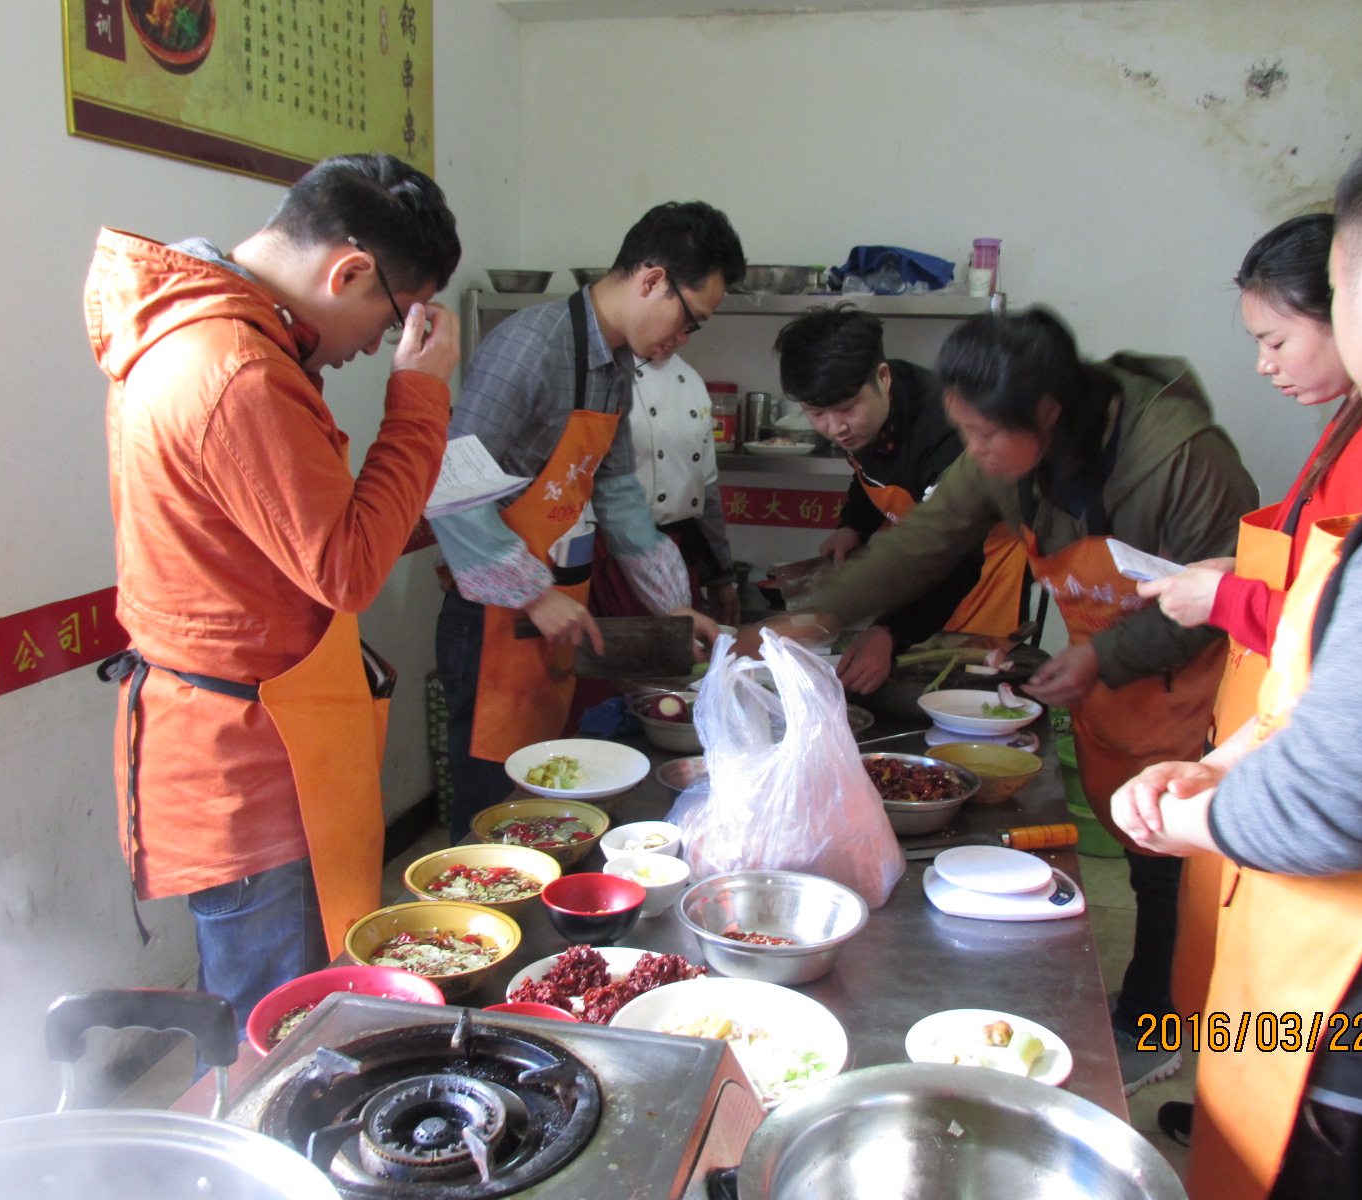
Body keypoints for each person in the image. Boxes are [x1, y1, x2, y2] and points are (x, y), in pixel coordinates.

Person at [747, 307, 1258, 1094]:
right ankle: (1154, 1003)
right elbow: (927, 540)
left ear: (1047, 414)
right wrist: (817, 614)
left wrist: (1101, 659)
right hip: (1105, 671)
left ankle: (1165, 1022)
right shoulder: (1005, 442)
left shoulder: (1182, 460)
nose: (976, 455)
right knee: (1133, 845)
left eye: (985, 437)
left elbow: (1223, 604)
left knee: (1171, 871)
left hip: (1184, 681)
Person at [1112, 112, 1362, 1200]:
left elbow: (1331, 811)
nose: (1268, 360)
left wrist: (1178, 816)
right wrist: (1233, 765)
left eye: (1280, 330)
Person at [87, 153, 462, 1029]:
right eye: (391, 318)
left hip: (255, 736)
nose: (380, 343)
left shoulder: (215, 335)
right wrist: (419, 399)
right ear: (350, 270)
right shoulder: (237, 370)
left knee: (290, 1007)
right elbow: (349, 568)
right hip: (253, 770)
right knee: (284, 1035)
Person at [1143, 215, 1362, 1037]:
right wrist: (1231, 573)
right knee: (1229, 963)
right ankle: (1208, 1071)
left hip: (1305, 743)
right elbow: (1300, 546)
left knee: (1295, 992)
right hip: (1257, 723)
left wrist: (1224, 604)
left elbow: (1347, 624)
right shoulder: (1352, 417)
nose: (1264, 364)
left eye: (1277, 340)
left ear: (1358, 303)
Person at [431, 202, 743, 841]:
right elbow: (450, 487)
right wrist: (534, 595)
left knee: (544, 796)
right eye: (690, 322)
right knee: (492, 811)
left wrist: (670, 608)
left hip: (550, 616)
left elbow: (619, 492)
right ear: (653, 279)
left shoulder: (615, 367)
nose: (683, 341)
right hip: (494, 620)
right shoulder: (531, 346)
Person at [772, 305, 1029, 694]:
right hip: (918, 574)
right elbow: (869, 474)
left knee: (967, 695)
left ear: (883, 377)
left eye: (845, 408)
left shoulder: (946, 434)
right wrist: (853, 524)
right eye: (815, 412)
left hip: (982, 576)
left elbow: (957, 560)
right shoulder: (865, 421)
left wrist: (889, 632)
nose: (834, 427)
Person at [586, 349, 740, 624]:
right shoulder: (599, 375)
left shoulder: (691, 382)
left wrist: (721, 577)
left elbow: (706, 491)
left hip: (679, 554)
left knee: (686, 654)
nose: (683, 337)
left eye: (691, 325)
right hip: (613, 558)